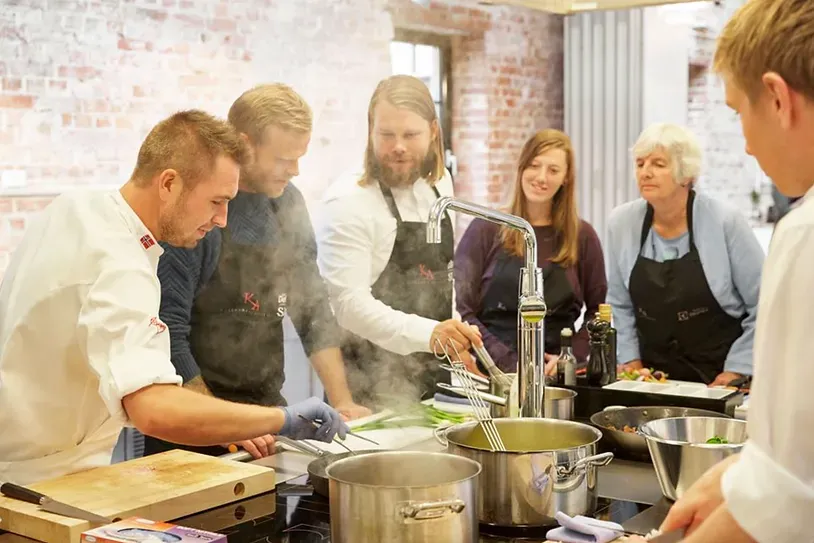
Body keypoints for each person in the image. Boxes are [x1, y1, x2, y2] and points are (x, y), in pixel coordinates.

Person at [0, 110, 348, 485]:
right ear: (168, 183)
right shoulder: (120, 264)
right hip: (38, 483)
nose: (223, 220)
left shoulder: (79, 207)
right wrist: (283, 418)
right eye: (216, 201)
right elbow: (153, 408)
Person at [655, 1, 814, 541]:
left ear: (776, 97)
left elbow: (791, 501)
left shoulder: (805, 232)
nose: (745, 142)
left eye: (738, 112)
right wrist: (735, 475)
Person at [142, 85, 370, 460]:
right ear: (245, 145)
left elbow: (312, 309)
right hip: (190, 428)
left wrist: (343, 401)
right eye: (284, 159)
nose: (295, 170)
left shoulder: (287, 204)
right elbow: (169, 335)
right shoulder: (197, 209)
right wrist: (227, 423)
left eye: (299, 157)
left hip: (265, 419)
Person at [315, 75, 483, 409]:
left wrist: (455, 338)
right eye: (387, 135)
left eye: (410, 135)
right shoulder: (349, 200)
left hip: (433, 382)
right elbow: (348, 305)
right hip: (369, 390)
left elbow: (440, 279)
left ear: (433, 132)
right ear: (370, 131)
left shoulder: (440, 185)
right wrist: (432, 334)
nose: (398, 147)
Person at [605, 123, 764, 386]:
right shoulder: (621, 223)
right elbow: (620, 305)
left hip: (718, 375)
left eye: (658, 164)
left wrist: (736, 370)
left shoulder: (724, 222)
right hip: (652, 380)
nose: (646, 172)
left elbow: (764, 304)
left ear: (686, 174)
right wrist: (632, 364)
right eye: (640, 163)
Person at [454, 129, 607, 374]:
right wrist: (505, 362)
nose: (541, 177)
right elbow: (463, 309)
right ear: (522, 167)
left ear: (566, 178)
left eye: (553, 170)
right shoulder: (485, 228)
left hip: (556, 376)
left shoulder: (582, 235)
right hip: (490, 372)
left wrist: (569, 357)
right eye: (534, 165)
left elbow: (598, 313)